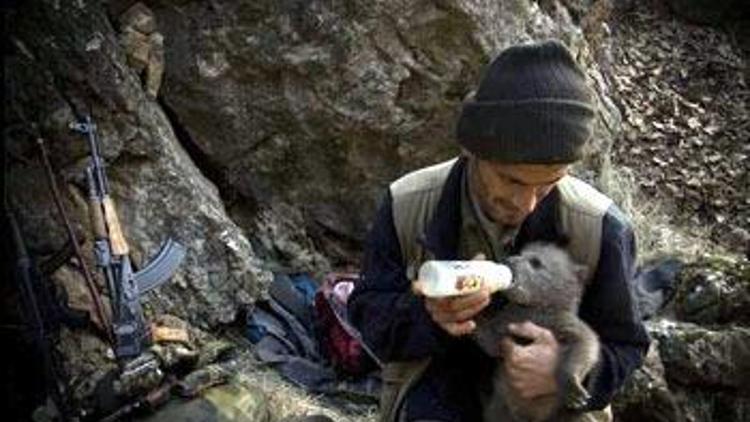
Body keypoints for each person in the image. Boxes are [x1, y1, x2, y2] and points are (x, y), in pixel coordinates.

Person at [347, 39, 650, 422]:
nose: (526, 204)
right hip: (437, 397)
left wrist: (565, 371)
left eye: (548, 184)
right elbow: (368, 317)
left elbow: (627, 346)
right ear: (473, 150)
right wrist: (429, 318)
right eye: (511, 180)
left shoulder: (602, 228)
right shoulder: (407, 204)